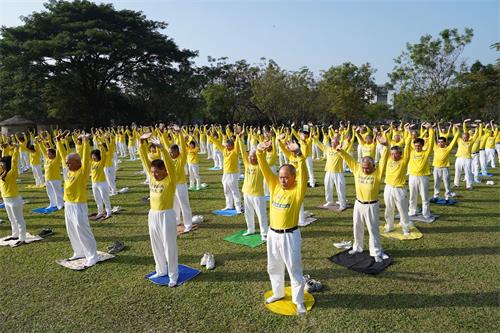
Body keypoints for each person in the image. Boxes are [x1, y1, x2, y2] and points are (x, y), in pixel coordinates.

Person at [257, 139, 308, 315]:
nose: (283, 180)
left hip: (290, 235)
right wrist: (259, 151)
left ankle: (298, 300)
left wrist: (299, 154)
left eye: (286, 177)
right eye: (281, 177)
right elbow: (263, 167)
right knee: (273, 266)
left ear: (294, 177)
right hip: (273, 234)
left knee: (294, 268)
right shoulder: (274, 186)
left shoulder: (297, 191)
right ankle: (278, 293)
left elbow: (304, 175)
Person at [336, 135, 389, 262]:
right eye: (363, 167)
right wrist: (340, 150)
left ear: (373, 166)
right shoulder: (357, 169)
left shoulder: (378, 172)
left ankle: (376, 251)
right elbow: (348, 158)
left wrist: (386, 146)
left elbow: (383, 160)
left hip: (371, 205)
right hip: (358, 204)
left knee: (373, 229)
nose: (365, 170)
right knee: (357, 226)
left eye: (367, 168)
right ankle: (357, 247)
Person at [139, 134, 179, 287]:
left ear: (164, 171)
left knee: (169, 246)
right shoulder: (152, 177)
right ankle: (161, 269)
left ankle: (173, 275)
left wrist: (162, 149)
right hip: (152, 214)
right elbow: (143, 158)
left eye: (157, 171)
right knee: (155, 244)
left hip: (167, 215)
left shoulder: (170, 179)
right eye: (152, 171)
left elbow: (170, 165)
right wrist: (141, 143)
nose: (154, 174)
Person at [63, 135, 99, 267]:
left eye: (69, 162)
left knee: (82, 229)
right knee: (71, 229)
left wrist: (85, 141)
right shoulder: (68, 171)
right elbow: (63, 156)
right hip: (68, 204)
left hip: (79, 205)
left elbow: (85, 158)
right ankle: (78, 252)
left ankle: (92, 255)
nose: (67, 164)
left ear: (78, 162)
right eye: (67, 162)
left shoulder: (82, 172)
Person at [237, 134, 268, 241]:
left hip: (258, 195)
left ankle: (264, 233)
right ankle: (251, 229)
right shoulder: (247, 163)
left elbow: (262, 156)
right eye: (250, 156)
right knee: (248, 213)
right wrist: (239, 138)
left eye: (253, 156)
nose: (250, 157)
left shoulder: (261, 166)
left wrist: (264, 144)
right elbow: (242, 151)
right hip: (246, 193)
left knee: (261, 214)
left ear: (257, 157)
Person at [382, 129, 412, 235]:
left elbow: (407, 147)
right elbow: (386, 148)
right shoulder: (389, 159)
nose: (394, 156)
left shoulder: (403, 161)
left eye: (396, 154)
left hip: (399, 189)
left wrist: (408, 132)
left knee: (402, 210)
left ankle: (405, 228)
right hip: (388, 188)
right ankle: (389, 226)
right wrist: (385, 136)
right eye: (392, 154)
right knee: (389, 209)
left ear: (400, 154)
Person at [0, 144, 27, 247]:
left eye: (2, 163)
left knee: (19, 219)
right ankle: (15, 234)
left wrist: (16, 149)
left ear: (7, 164)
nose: (1, 164)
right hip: (6, 200)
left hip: (14, 199)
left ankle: (22, 238)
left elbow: (14, 161)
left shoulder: (12, 173)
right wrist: (4, 149)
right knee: (11, 218)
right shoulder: (2, 173)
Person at [407, 123, 435, 220]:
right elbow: (408, 142)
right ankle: (412, 211)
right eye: (416, 146)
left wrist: (430, 129)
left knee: (424, 196)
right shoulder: (411, 151)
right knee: (412, 195)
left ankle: (426, 213)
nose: (417, 147)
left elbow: (431, 142)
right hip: (412, 176)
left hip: (423, 177)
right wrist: (408, 131)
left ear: (422, 146)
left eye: (419, 146)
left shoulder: (426, 152)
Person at [209, 132, 242, 213]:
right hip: (225, 174)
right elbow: (217, 142)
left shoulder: (235, 151)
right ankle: (229, 205)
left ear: (232, 145)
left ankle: (238, 207)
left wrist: (238, 136)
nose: (226, 147)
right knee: (226, 190)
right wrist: (209, 136)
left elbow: (237, 144)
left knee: (235, 191)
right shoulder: (224, 150)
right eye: (226, 145)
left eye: (228, 145)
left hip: (233, 174)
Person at [431, 125, 459, 203]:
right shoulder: (435, 147)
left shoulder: (448, 148)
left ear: (445, 142)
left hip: (444, 169)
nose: (440, 143)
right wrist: (432, 129)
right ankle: (435, 196)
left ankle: (447, 197)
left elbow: (455, 139)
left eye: (441, 142)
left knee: (447, 183)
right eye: (439, 142)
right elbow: (432, 139)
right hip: (436, 168)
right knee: (436, 183)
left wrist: (457, 129)